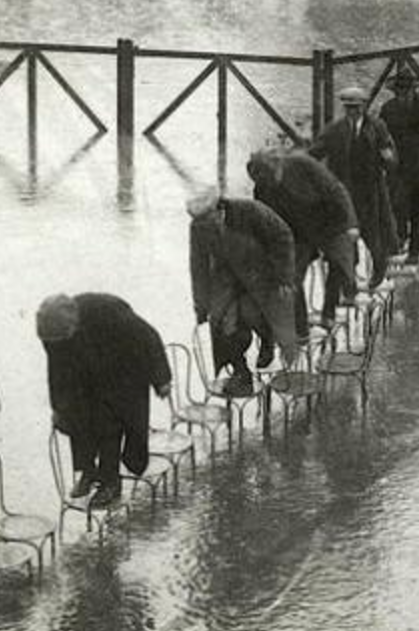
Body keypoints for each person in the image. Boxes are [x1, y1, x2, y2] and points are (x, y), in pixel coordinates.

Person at [38, 293, 171, 509]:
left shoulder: (109, 313)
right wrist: (59, 408)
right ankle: (88, 472)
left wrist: (162, 379)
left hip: (126, 366)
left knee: (110, 423)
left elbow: (150, 337)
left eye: (64, 338)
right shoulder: (53, 333)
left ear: (73, 323)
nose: (59, 345)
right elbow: (57, 372)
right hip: (91, 368)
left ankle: (110, 482)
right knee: (76, 415)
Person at [187, 188, 297, 393]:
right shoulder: (198, 227)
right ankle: (240, 370)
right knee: (220, 322)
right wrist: (201, 305)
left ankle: (268, 340)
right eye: (202, 224)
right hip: (227, 276)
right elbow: (198, 266)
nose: (206, 227)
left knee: (252, 313)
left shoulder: (250, 211)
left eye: (210, 221)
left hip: (261, 271)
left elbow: (282, 237)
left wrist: (283, 277)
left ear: (220, 209)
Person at [247, 147, 359, 338]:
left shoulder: (302, 164)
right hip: (297, 233)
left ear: (278, 166)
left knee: (341, 263)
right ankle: (302, 332)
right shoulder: (262, 189)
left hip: (329, 220)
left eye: (273, 178)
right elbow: (264, 224)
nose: (272, 184)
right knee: (291, 279)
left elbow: (335, 189)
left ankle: (329, 312)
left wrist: (351, 224)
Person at [309, 85, 398, 301]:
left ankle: (379, 268)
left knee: (372, 236)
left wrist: (388, 158)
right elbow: (316, 152)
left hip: (369, 191)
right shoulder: (334, 129)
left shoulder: (377, 127)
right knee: (344, 241)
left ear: (364, 107)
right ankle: (348, 286)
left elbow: (390, 153)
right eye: (348, 108)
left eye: (356, 107)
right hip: (343, 193)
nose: (353, 112)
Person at [380, 69, 419, 262]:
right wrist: (386, 154)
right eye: (399, 91)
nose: (403, 94)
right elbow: (383, 136)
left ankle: (414, 252)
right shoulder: (388, 109)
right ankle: (400, 240)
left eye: (406, 90)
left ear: (413, 90)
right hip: (398, 167)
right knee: (398, 206)